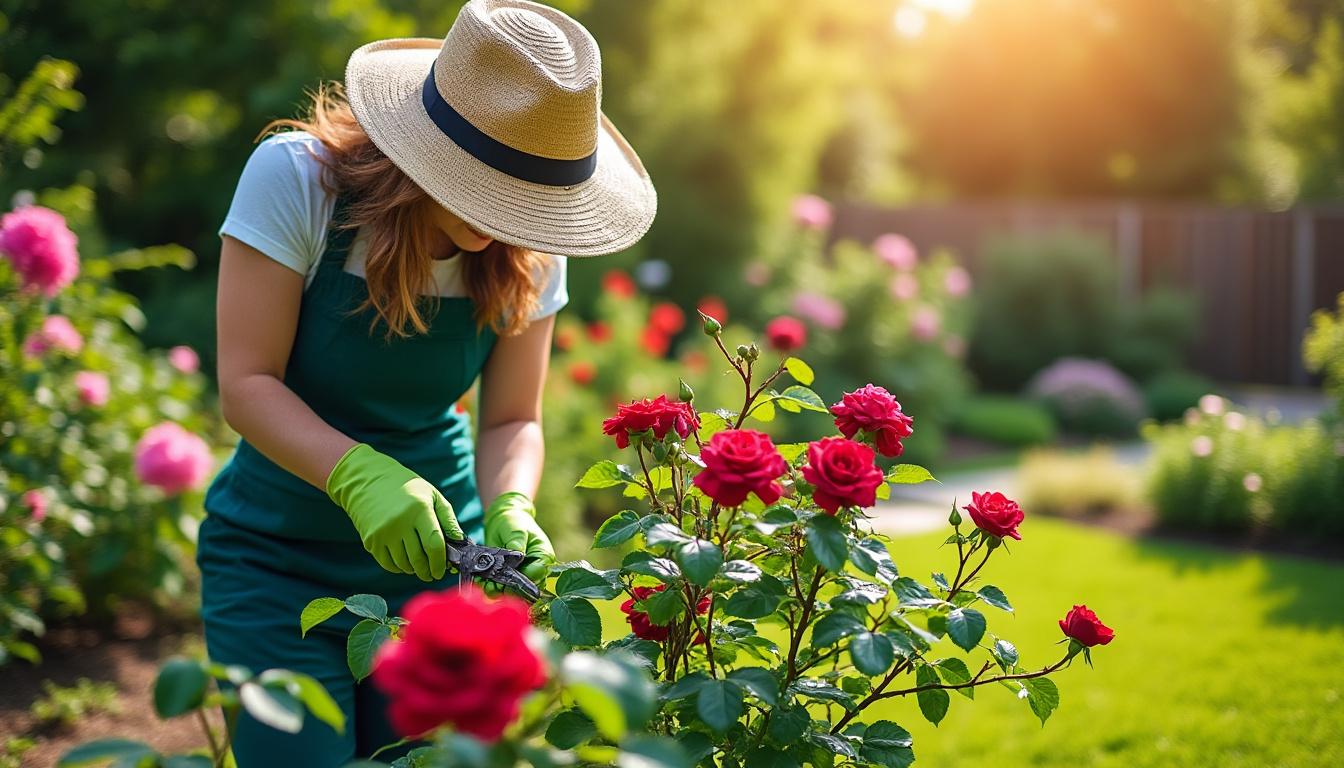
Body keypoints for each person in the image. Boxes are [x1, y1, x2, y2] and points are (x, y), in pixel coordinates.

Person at [198, 1, 656, 763]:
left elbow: (511, 419)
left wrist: (511, 502)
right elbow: (246, 383)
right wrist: (355, 473)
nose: (506, 217)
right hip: (275, 563)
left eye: (524, 195)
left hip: (437, 567)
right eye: (487, 183)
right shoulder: (299, 182)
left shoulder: (536, 247)